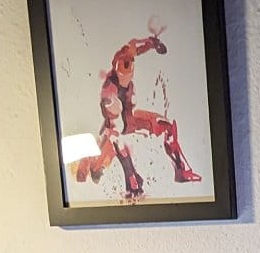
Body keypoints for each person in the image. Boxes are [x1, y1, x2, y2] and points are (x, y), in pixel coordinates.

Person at [72, 23, 202, 199]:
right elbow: (116, 133)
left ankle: (182, 171)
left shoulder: (126, 58)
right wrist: (132, 176)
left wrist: (151, 44)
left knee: (166, 126)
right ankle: (102, 170)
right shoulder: (110, 94)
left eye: (130, 66)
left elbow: (135, 49)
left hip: (130, 119)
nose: (129, 72)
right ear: (116, 69)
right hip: (117, 126)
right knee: (110, 152)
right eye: (124, 69)